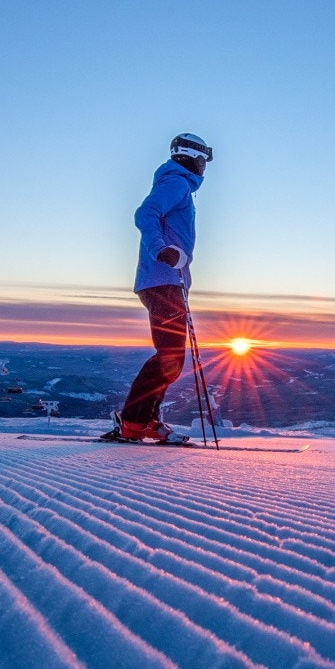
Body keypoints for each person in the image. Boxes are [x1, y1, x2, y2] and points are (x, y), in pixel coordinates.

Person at [103, 132, 213, 443]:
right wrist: (160, 249)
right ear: (189, 156)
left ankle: (142, 419)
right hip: (162, 280)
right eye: (203, 158)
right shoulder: (176, 182)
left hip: (165, 281)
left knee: (170, 358)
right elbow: (145, 213)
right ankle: (135, 422)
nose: (204, 165)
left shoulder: (176, 183)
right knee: (170, 356)